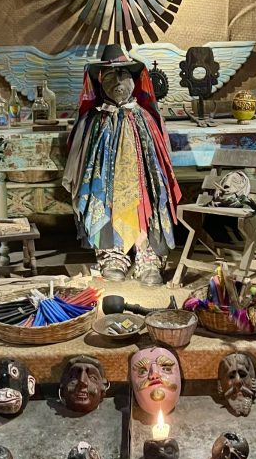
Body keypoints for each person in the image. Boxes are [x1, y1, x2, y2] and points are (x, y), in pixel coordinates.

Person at [63, 44, 180, 285]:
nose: (117, 81)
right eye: (110, 75)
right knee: (104, 195)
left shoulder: (144, 117)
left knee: (147, 196)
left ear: (134, 79)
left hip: (139, 176)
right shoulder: (94, 120)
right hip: (105, 179)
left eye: (124, 74)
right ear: (99, 79)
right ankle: (112, 252)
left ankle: (146, 251)